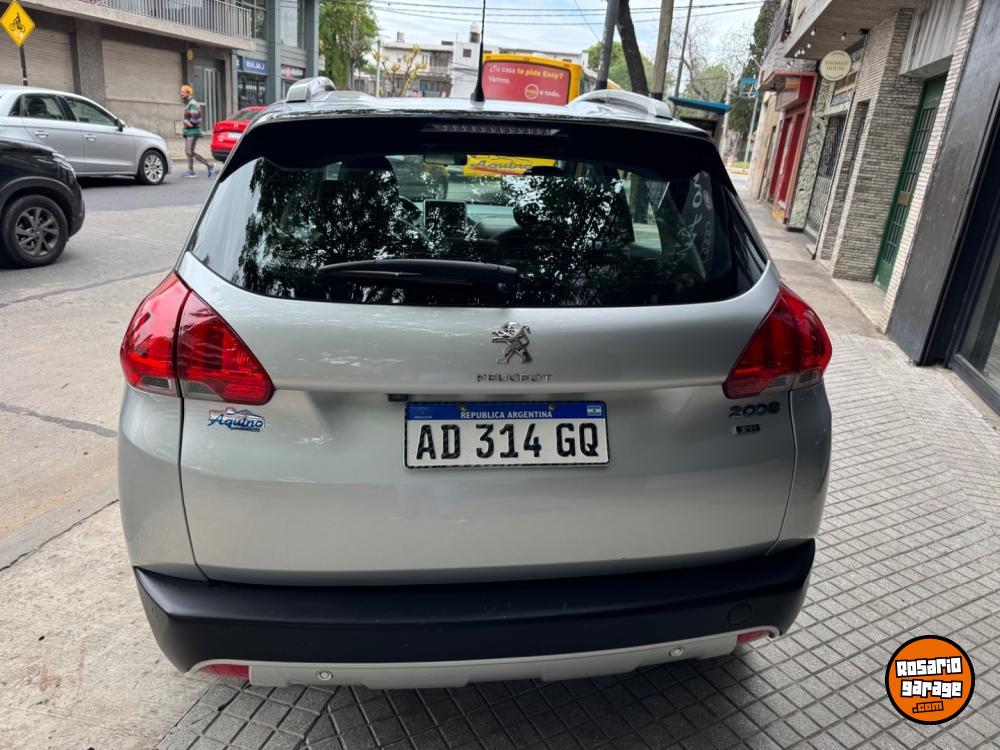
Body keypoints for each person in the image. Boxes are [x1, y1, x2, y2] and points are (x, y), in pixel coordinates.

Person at [180, 85, 213, 178]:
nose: (181, 93)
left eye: (183, 92)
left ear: (188, 93)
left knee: (189, 151)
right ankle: (191, 171)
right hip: (189, 131)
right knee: (188, 151)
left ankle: (208, 166)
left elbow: (195, 120)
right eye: (181, 92)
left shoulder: (192, 104)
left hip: (192, 131)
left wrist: (186, 122)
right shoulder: (189, 103)